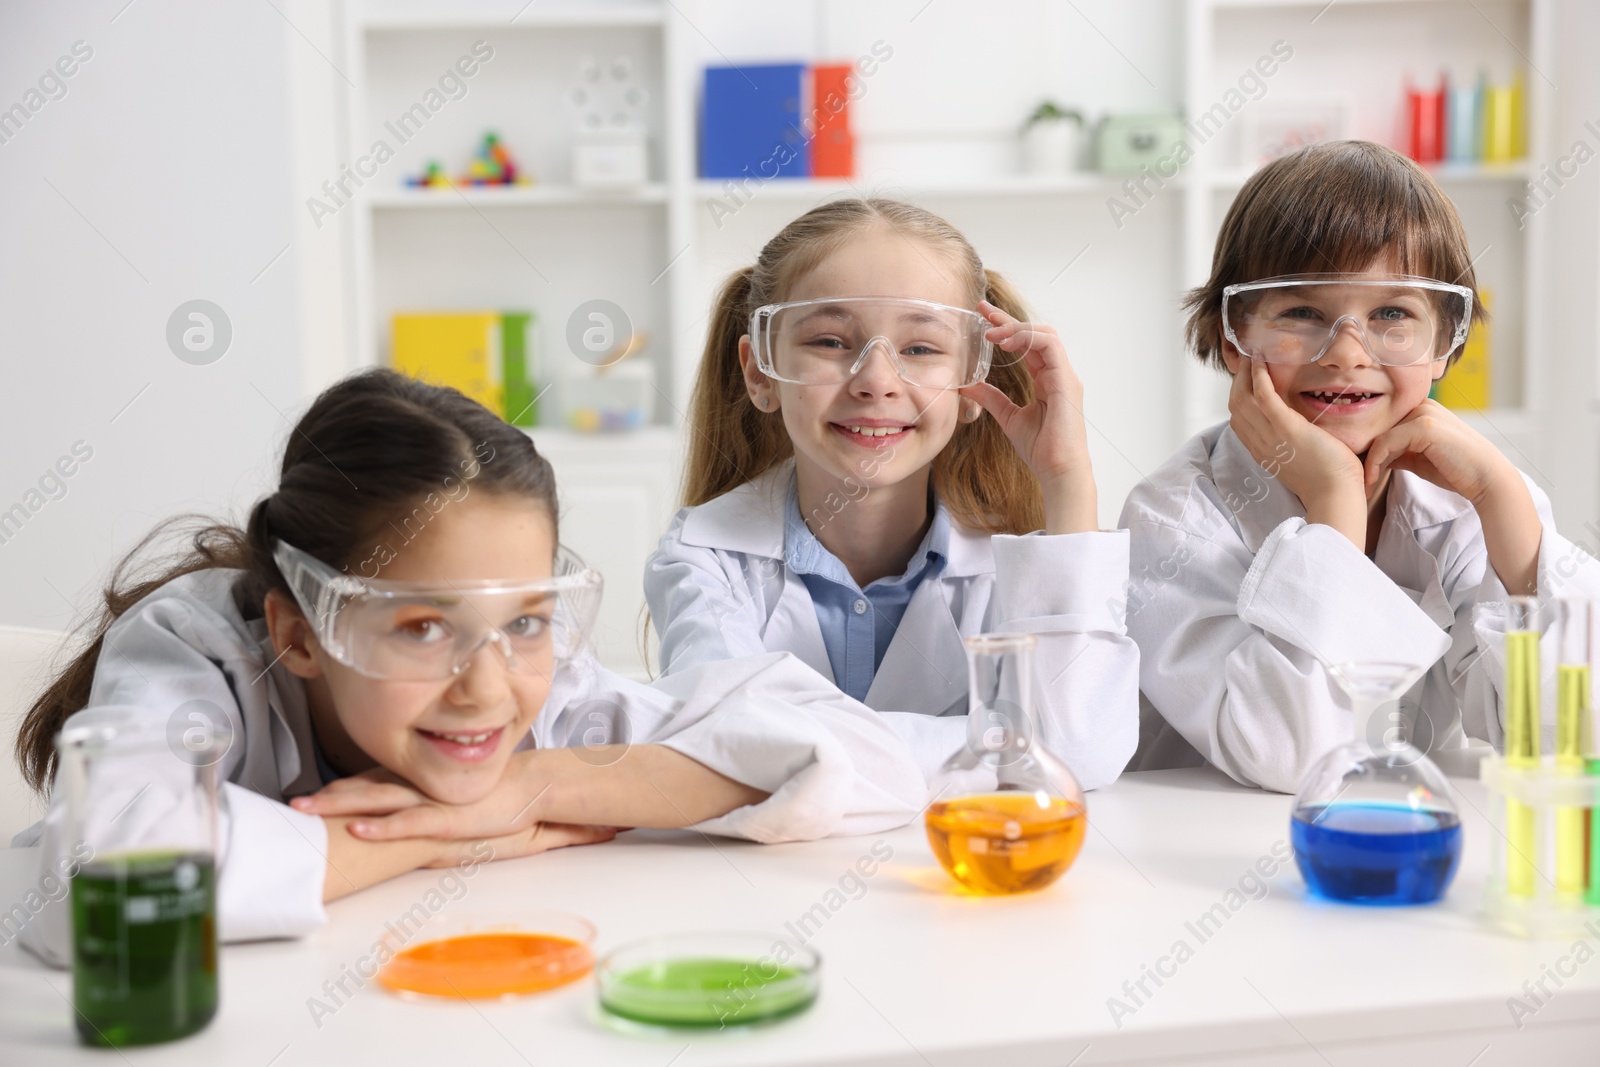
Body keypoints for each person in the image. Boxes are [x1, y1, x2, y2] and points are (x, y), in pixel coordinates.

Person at [14, 370, 926, 965]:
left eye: (526, 617)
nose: (487, 688)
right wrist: (444, 832)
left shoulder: (545, 691)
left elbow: (869, 756)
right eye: (418, 627)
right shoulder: (198, 646)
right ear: (298, 632)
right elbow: (105, 892)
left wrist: (528, 787)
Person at [1120, 140, 1600, 792]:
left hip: (1389, 844)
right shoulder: (1173, 516)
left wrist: (1500, 495)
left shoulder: (1460, 502)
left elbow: (1569, 732)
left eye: (1392, 314)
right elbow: (1292, 756)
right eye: (1302, 313)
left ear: (1444, 342)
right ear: (1234, 336)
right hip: (1208, 857)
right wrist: (1334, 500)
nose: (1347, 353)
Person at [644, 198, 1137, 787]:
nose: (876, 381)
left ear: (972, 378)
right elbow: (737, 744)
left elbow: (1077, 756)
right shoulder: (703, 557)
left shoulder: (1020, 563)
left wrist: (1067, 480)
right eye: (829, 341)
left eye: (920, 349)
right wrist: (1000, 750)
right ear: (759, 372)